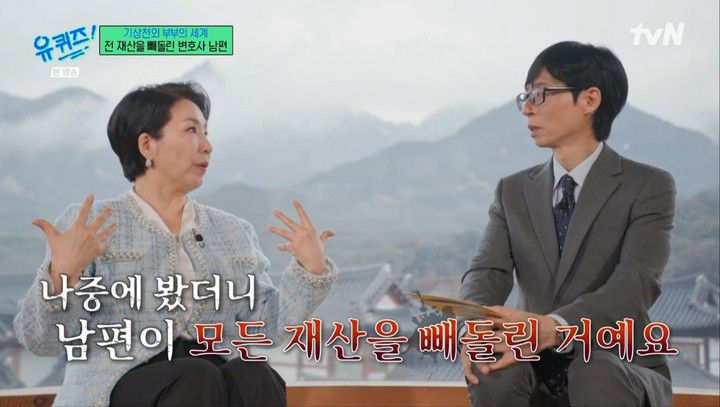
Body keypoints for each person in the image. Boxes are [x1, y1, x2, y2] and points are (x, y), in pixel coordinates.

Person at [14, 82, 339, 406]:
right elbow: (42, 341)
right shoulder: (89, 225)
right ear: (147, 145)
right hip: (118, 385)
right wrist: (62, 275)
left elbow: (268, 328)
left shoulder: (233, 231)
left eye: (206, 133)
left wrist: (310, 270)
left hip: (210, 375)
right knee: (196, 376)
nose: (207, 146)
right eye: (191, 130)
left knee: (254, 372)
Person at [459, 41, 676, 406]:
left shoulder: (648, 185)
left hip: (617, 362)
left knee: (596, 372)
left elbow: (635, 284)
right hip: (531, 364)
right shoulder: (512, 190)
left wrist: (555, 327)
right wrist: (473, 328)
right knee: (493, 366)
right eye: (525, 96)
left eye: (540, 94)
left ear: (590, 100)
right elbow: (485, 273)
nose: (527, 108)